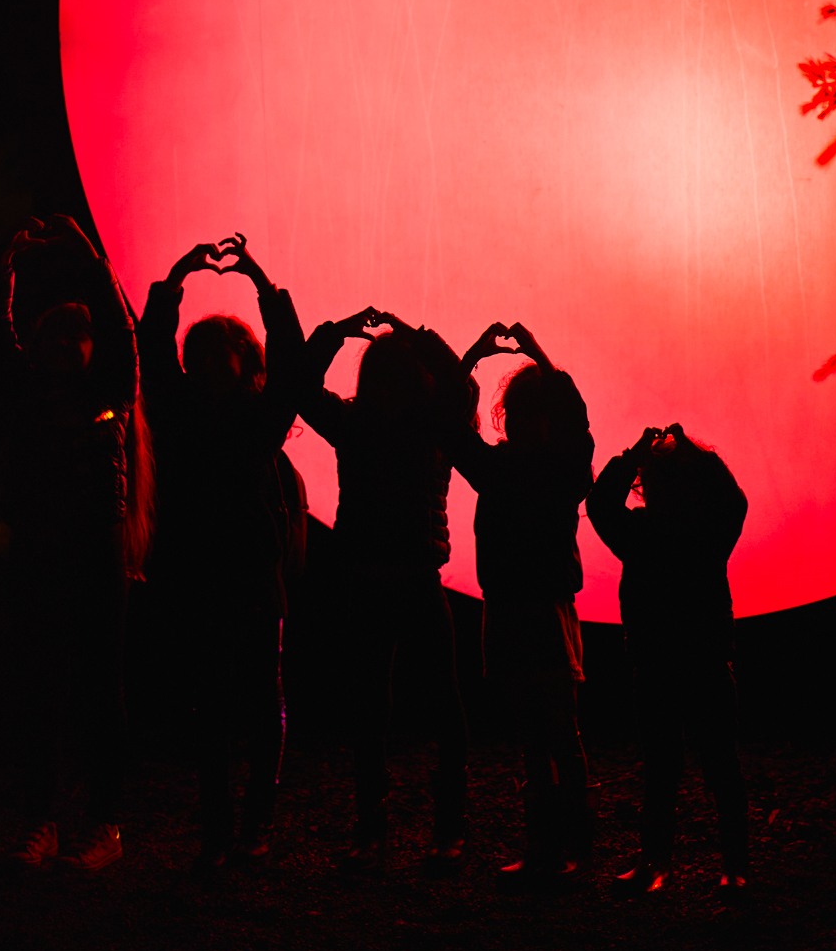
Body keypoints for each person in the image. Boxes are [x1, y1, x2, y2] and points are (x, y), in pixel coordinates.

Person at [137, 233, 308, 871]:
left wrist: (262, 284)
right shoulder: (183, 415)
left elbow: (289, 363)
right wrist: (177, 278)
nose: (206, 362)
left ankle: (251, 824)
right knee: (213, 705)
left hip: (250, 578)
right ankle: (221, 828)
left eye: (218, 352)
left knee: (257, 702)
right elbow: (153, 350)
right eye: (199, 354)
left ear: (244, 359)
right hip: (203, 579)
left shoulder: (259, 420)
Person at [296, 308, 478, 869]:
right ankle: (445, 830)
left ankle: (376, 830)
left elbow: (302, 387)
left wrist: (338, 332)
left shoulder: (357, 423)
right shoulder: (436, 426)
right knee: (437, 706)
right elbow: (463, 386)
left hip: (375, 582)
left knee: (375, 708)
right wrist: (418, 337)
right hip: (416, 581)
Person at [1, 213, 153, 872]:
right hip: (39, 555)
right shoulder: (26, 397)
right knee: (39, 691)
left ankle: (104, 826)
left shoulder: (113, 393)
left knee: (101, 690)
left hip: (97, 553)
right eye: (54, 335)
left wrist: (92, 257)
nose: (66, 343)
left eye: (77, 334)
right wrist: (7, 271)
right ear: (36, 347)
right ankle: (41, 824)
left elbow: (123, 335)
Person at [448, 322, 594, 881]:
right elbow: (575, 419)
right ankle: (564, 848)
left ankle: (555, 848)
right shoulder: (563, 470)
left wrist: (472, 358)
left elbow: (452, 426)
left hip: (521, 608)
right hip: (536, 608)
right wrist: (536, 353)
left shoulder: (501, 470)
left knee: (546, 733)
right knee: (550, 734)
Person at [586, 422, 749, 895]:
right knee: (717, 765)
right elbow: (735, 501)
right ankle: (733, 866)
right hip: (702, 661)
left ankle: (657, 864)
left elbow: (599, 504)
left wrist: (634, 455)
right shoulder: (709, 531)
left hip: (660, 663)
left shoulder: (639, 533)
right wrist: (698, 455)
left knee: (665, 768)